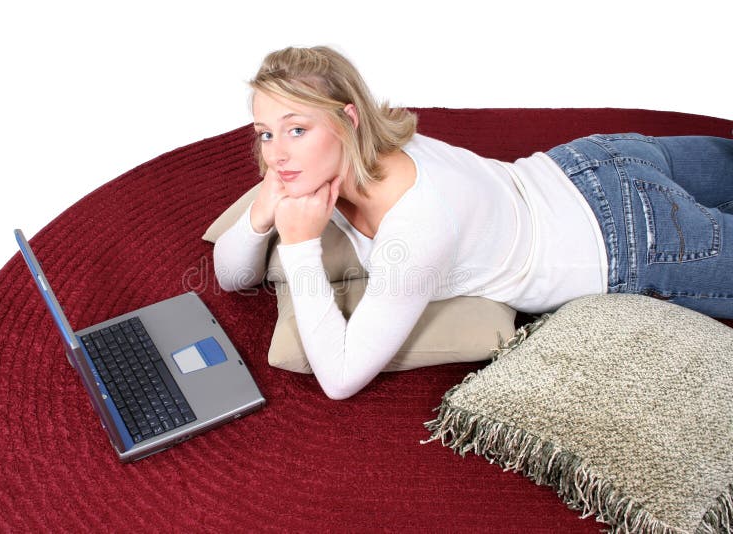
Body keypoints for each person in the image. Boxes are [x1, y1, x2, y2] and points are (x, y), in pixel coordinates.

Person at [213, 45, 733, 400]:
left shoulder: (418, 222)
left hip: (634, 241)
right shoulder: (334, 161)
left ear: (348, 119)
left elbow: (341, 378)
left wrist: (302, 248)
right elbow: (232, 276)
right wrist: (263, 210)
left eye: (296, 129)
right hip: (591, 163)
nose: (277, 154)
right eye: (265, 133)